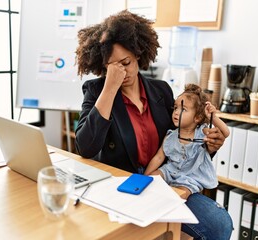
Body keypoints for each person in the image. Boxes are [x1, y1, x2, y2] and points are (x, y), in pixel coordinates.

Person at [74, 10, 233, 239]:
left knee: (219, 224)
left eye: (126, 62)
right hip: (124, 182)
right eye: (113, 67)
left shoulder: (162, 90)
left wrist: (209, 146)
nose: (122, 72)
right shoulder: (96, 90)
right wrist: (109, 88)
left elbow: (181, 139)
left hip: (167, 178)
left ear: (138, 54)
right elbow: (85, 147)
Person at [145, 84, 230, 199]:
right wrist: (145, 177)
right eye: (175, 108)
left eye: (183, 109)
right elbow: (159, 157)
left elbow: (226, 133)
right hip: (170, 171)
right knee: (152, 179)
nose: (176, 112)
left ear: (197, 118)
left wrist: (213, 117)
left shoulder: (202, 132)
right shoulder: (170, 136)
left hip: (190, 176)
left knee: (178, 195)